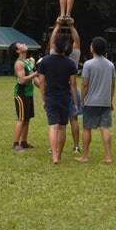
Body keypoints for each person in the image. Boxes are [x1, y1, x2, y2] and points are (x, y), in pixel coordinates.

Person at [38, 34, 78, 164]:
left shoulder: (44, 61)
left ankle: (54, 155)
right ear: (66, 47)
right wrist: (75, 103)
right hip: (64, 97)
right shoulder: (70, 63)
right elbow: (73, 84)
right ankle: (59, 154)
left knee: (53, 127)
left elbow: (42, 82)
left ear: (54, 46)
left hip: (50, 96)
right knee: (62, 127)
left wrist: (43, 99)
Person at [76, 37, 116, 163]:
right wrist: (110, 100)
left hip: (91, 101)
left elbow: (85, 85)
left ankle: (85, 156)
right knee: (105, 128)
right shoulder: (110, 65)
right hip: (105, 101)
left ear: (92, 48)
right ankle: (108, 156)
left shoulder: (88, 64)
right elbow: (113, 84)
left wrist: (82, 99)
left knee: (87, 128)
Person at [48, 16, 82, 153]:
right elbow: (77, 42)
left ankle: (54, 148)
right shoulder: (73, 59)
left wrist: (57, 25)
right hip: (72, 92)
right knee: (73, 120)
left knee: (55, 124)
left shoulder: (52, 56)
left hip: (56, 93)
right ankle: (76, 146)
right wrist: (72, 26)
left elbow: (52, 41)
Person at [8, 42, 39, 152]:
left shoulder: (27, 62)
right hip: (21, 95)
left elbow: (33, 79)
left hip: (28, 94)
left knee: (27, 119)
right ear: (17, 51)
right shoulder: (19, 63)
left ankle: (24, 142)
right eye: (20, 44)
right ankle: (15, 144)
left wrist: (43, 88)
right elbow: (22, 80)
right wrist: (36, 73)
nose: (24, 44)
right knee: (21, 119)